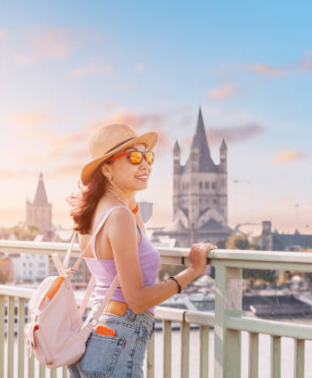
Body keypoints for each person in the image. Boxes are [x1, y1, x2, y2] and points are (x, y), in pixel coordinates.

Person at [67, 124, 216, 377]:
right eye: (134, 157)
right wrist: (192, 271)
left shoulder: (94, 213)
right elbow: (136, 300)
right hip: (120, 337)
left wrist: (129, 195)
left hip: (96, 335)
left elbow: (133, 242)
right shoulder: (119, 216)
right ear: (106, 168)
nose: (145, 165)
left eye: (148, 157)